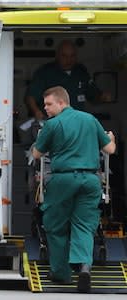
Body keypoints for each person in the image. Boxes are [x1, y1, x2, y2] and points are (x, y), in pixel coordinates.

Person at [32, 86, 116, 293]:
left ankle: (61, 273)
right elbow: (110, 150)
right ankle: (84, 267)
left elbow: (36, 154)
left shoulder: (52, 125)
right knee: (84, 225)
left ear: (62, 102)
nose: (46, 109)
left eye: (49, 104)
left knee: (56, 226)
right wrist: (111, 138)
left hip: (63, 180)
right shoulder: (90, 120)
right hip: (90, 180)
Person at [25, 40, 110, 120]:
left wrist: (103, 97)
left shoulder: (81, 71)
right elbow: (31, 96)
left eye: (72, 56)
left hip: (77, 123)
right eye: (64, 56)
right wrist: (36, 112)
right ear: (57, 55)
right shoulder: (45, 72)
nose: (69, 60)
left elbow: (93, 95)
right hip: (54, 123)